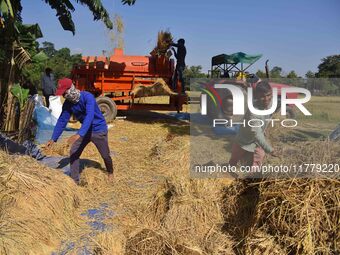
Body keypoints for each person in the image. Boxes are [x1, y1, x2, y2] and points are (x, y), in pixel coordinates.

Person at [46, 78, 114, 184]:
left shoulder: (88, 97)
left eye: (65, 92)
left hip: (98, 129)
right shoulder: (68, 104)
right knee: (74, 152)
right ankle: (75, 180)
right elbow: (62, 121)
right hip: (85, 131)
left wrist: (79, 134)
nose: (64, 96)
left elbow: (89, 116)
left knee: (105, 155)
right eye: (62, 94)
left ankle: (110, 172)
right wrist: (53, 138)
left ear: (71, 89)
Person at [229, 81, 278, 172]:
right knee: (233, 162)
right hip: (244, 140)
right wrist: (270, 150)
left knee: (258, 161)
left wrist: (266, 130)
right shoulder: (253, 111)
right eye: (262, 96)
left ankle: (251, 178)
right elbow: (257, 133)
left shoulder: (271, 104)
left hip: (258, 142)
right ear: (257, 96)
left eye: (268, 95)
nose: (266, 99)